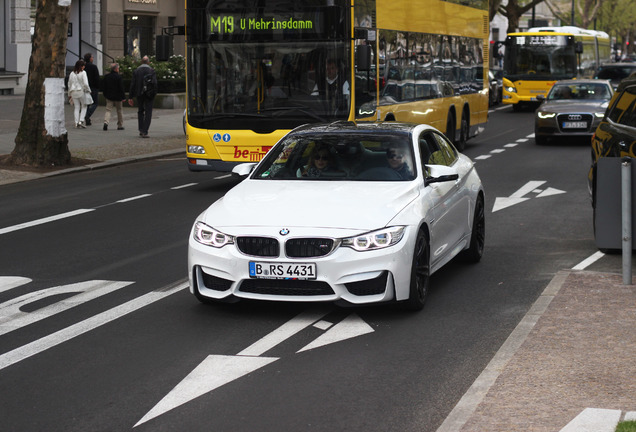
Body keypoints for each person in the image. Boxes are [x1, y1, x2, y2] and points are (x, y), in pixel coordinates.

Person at [128, 55, 157, 138]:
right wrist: (154, 93)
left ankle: (141, 129)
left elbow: (132, 84)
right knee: (148, 112)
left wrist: (130, 97)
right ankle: (145, 130)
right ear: (148, 62)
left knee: (140, 111)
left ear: (141, 62)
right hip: (149, 94)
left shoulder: (136, 71)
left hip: (139, 94)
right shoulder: (151, 70)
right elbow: (155, 84)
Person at [67, 59, 92, 128]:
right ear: (81, 66)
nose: (84, 67)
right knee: (84, 106)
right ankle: (81, 121)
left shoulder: (72, 73)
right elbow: (86, 84)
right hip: (81, 91)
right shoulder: (83, 73)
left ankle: (76, 122)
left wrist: (69, 94)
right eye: (83, 65)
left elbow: (69, 84)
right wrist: (89, 90)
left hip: (73, 92)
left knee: (76, 107)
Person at [101, 63, 126, 131]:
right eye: (118, 68)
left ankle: (106, 122)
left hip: (109, 96)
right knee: (119, 110)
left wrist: (105, 94)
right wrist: (123, 97)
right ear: (116, 69)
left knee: (108, 110)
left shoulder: (107, 76)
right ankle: (120, 125)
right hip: (118, 97)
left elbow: (104, 87)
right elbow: (121, 88)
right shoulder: (119, 77)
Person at [83, 53, 100, 126]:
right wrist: (98, 86)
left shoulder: (83, 67)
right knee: (95, 103)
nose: (93, 58)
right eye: (92, 57)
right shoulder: (93, 67)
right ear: (90, 58)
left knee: (86, 103)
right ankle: (88, 115)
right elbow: (96, 78)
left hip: (84, 87)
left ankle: (87, 118)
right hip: (93, 87)